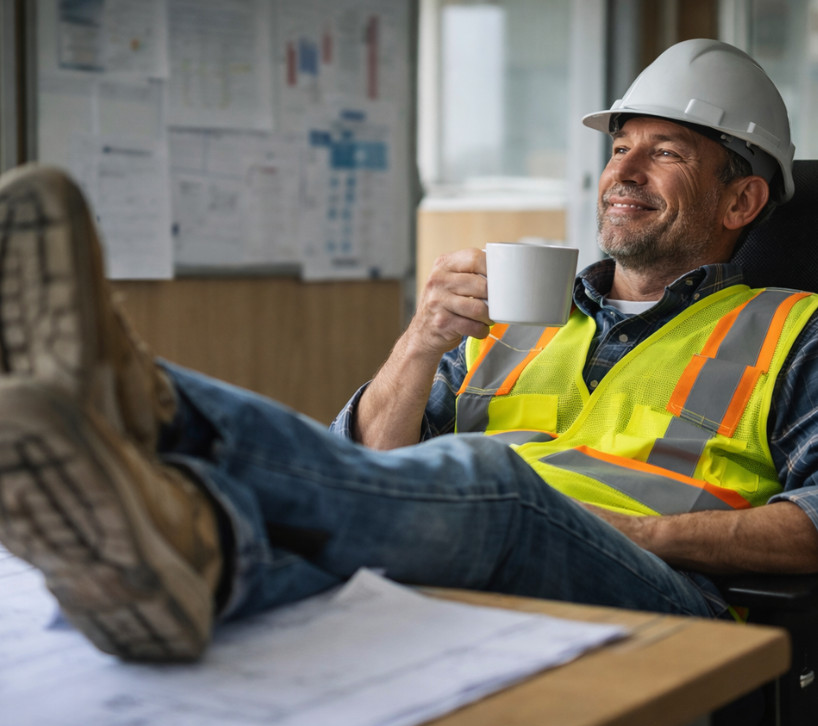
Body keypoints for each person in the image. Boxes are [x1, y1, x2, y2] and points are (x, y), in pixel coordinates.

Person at [1, 38, 818, 663]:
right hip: (476, 559)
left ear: (742, 197)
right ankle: (148, 560)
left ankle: (146, 396)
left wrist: (638, 536)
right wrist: (421, 341)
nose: (622, 171)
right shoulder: (506, 318)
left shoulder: (794, 329)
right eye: (618, 147)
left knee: (494, 482)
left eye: (665, 151)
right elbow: (360, 469)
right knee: (321, 540)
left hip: (669, 597)